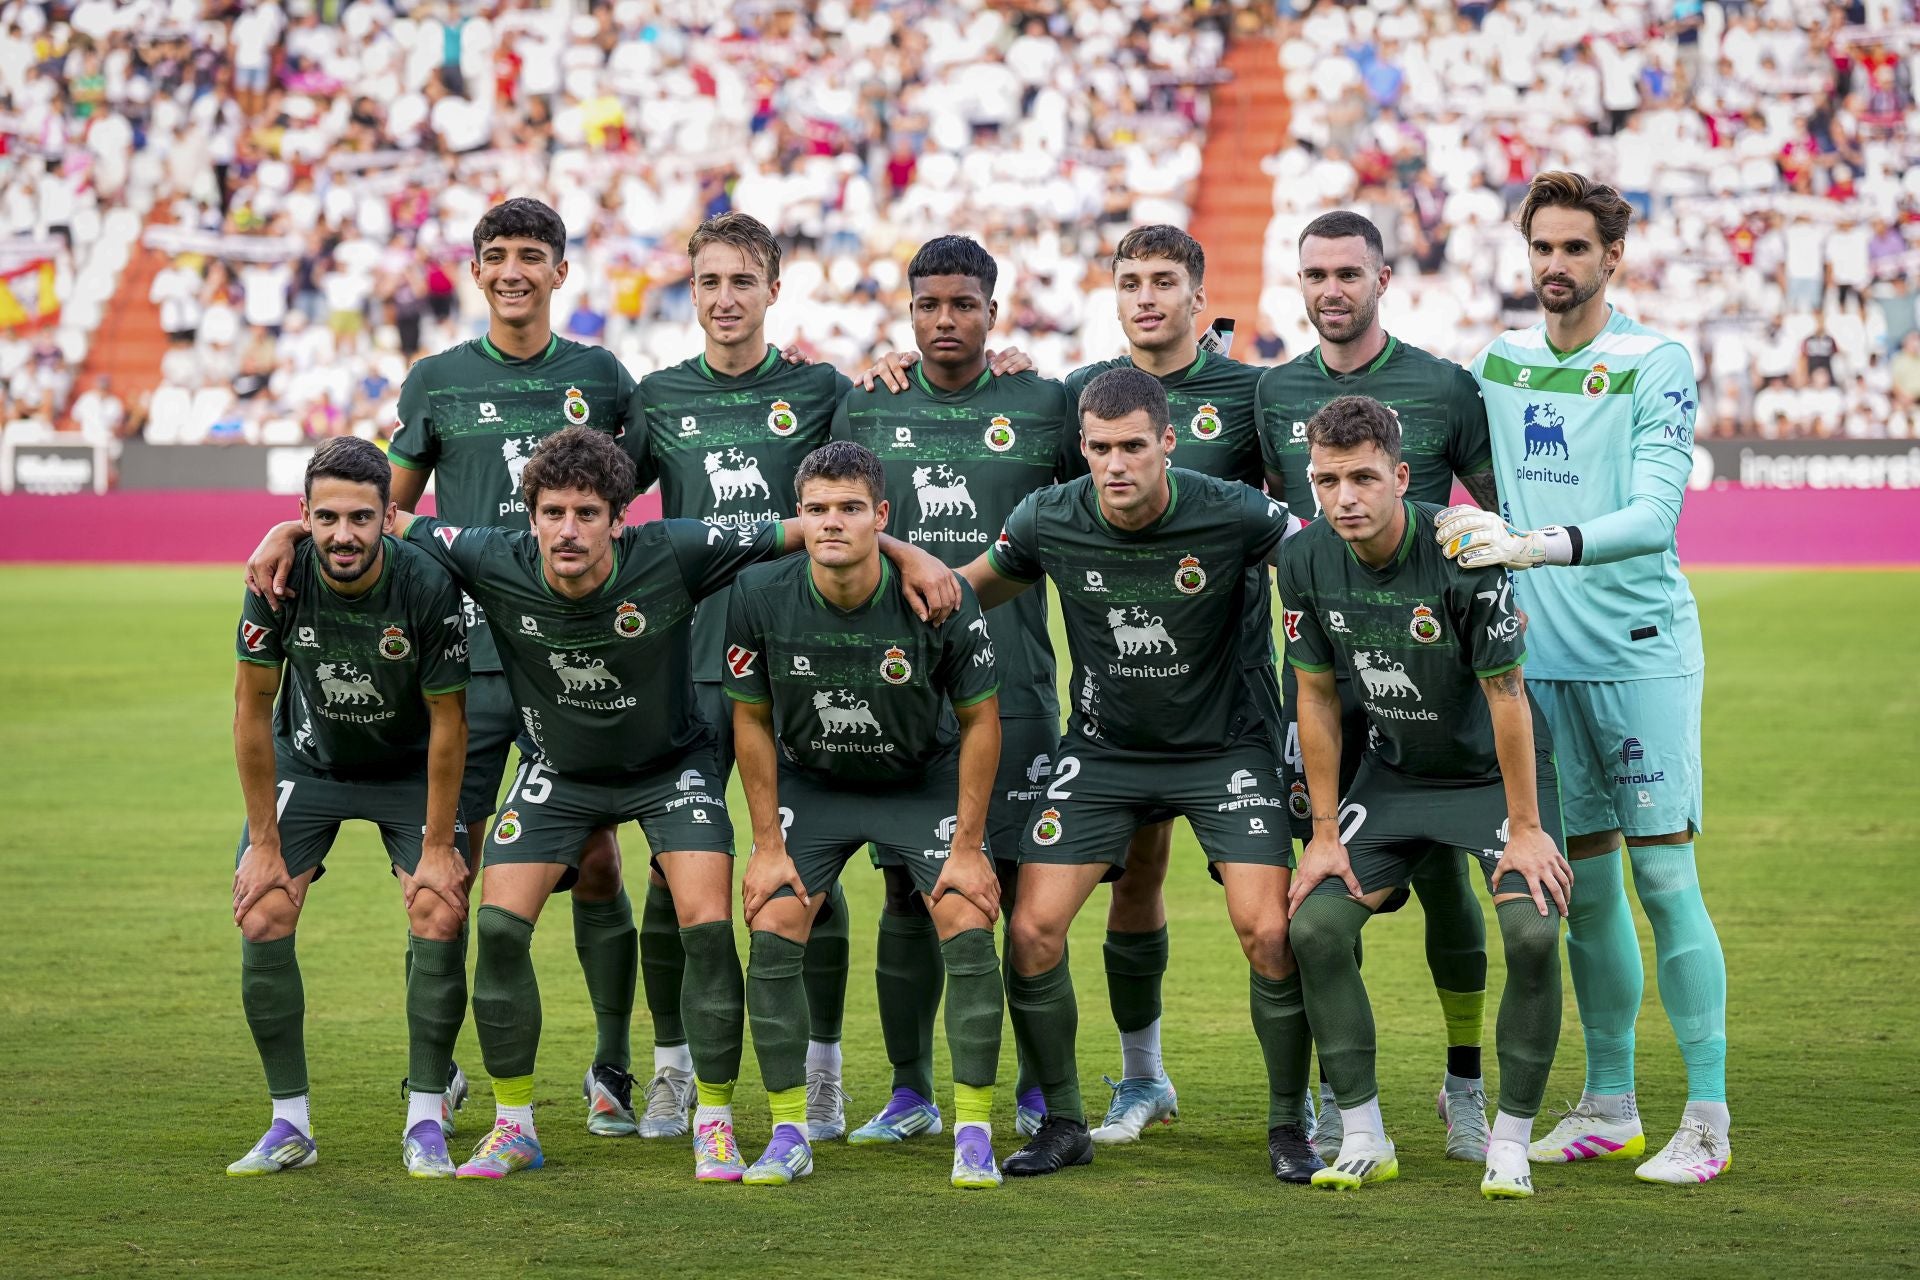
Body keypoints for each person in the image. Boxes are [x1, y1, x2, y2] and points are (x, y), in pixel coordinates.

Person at [246, 426, 957, 1182]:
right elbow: (379, 519)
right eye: (552, 512)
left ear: (620, 518)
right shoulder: (490, 556)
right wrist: (286, 530)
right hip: (559, 769)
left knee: (709, 927)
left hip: (669, 767)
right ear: (532, 516)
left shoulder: (674, 552)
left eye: (588, 513)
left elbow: (810, 525)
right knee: (496, 923)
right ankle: (514, 1124)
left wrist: (910, 551)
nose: (568, 529)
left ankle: (713, 1122)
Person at [251, 198, 651, 1142]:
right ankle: (448, 1074)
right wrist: (283, 526)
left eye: (532, 256)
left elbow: (627, 504)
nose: (513, 271)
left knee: (594, 859)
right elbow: (373, 512)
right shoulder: (437, 379)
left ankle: (614, 1068)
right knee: (451, 868)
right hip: (468, 665)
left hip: (571, 659)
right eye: (497, 256)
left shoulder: (602, 374)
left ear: (562, 271)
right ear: (476, 272)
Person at [959, 367, 1322, 1184]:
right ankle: (1062, 1121)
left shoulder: (1230, 510)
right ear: (1080, 447)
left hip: (1226, 750)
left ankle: (1288, 1124)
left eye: (1131, 446)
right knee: (1031, 928)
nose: (1115, 464)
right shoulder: (1049, 516)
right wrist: (872, 586)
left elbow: (1323, 556)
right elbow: (963, 592)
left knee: (1268, 931)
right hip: (1103, 752)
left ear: (1167, 441)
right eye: (1098, 448)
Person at [1437, 170, 1729, 1185]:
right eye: (1541, 248)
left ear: (1613, 257)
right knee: (1590, 889)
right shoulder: (1501, 363)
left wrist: (1531, 542)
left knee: (1662, 876)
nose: (1554, 266)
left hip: (1639, 653)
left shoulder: (1655, 360)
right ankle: (1609, 1102)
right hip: (1540, 668)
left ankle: (1708, 1115)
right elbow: (1422, 435)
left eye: (1574, 249)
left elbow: (1657, 516)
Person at [1256, 209, 1502, 1162]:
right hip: (1317, 678)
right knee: (1325, 880)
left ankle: (1464, 1085)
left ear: (1383, 278)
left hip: (1430, 690)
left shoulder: (1442, 387)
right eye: (1314, 273)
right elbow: (1175, 445)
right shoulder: (1271, 391)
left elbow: (1496, 517)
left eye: (1348, 273)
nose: (1330, 289)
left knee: (1447, 885)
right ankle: (1337, 1097)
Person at [1277, 396, 1569, 1199]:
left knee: (1535, 936)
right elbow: (1317, 701)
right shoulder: (1304, 560)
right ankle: (1365, 1134)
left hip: (1491, 778)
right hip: (1397, 777)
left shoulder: (1463, 553)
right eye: (1326, 479)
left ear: (1401, 477)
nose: (1344, 498)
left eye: (1363, 478)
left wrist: (1527, 827)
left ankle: (1509, 1141)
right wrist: (1326, 834)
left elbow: (1508, 696)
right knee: (1317, 927)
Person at [831, 234, 1073, 1143]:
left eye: (963, 304)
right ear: (908, 312)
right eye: (929, 305)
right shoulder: (867, 407)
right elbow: (832, 523)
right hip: (903, 694)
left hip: (1012, 689)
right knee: (904, 892)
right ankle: (909, 1091)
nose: (945, 320)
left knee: (1014, 890)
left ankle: (1042, 1087)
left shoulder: (1044, 403)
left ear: (993, 312)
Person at [623, 212, 859, 1143]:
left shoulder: (820, 390)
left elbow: (866, 483)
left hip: (797, 670)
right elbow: (599, 504)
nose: (724, 299)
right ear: (693, 292)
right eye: (708, 282)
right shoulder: (656, 398)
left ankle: (823, 1072)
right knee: (667, 874)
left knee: (813, 872)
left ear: (774, 289)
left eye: (742, 281)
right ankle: (672, 1070)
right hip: (684, 672)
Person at [726, 441, 1006, 1188]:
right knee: (774, 914)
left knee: (966, 910)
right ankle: (790, 1130)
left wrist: (971, 848)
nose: (831, 523)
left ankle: (974, 1131)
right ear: (799, 517)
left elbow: (983, 721)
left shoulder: (938, 596)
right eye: (816, 509)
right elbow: (750, 721)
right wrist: (765, 846)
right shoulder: (757, 595)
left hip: (920, 781)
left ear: (881, 518)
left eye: (850, 508)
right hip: (816, 784)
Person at [1059, 223, 1272, 1146]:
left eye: (1164, 281)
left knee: (1263, 901)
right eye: (1130, 281)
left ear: (1198, 293)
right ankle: (1142, 1079)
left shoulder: (1255, 394)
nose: (1146, 297)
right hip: (1121, 706)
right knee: (1132, 880)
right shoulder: (1078, 397)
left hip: (1234, 705)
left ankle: (1292, 1096)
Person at [226, 438, 473, 1178]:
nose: (343, 534)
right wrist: (265, 844)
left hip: (407, 769)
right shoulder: (277, 575)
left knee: (440, 906)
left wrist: (435, 844)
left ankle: (427, 1115)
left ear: (389, 516)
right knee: (262, 906)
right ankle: (288, 1122)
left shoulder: (426, 584)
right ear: (302, 516)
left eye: (361, 518)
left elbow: (449, 724)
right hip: (312, 761)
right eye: (326, 517)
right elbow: (250, 709)